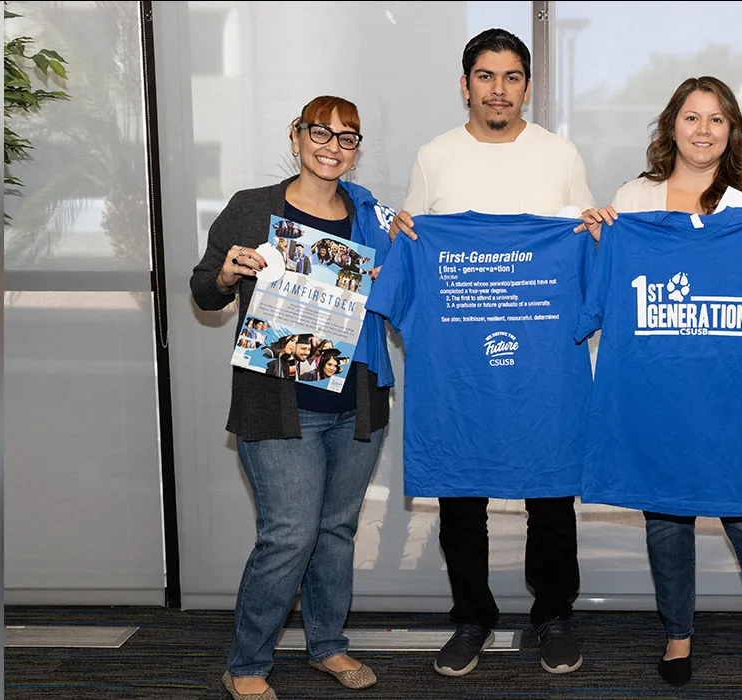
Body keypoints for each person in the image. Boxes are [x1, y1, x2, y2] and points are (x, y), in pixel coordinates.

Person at [582, 76, 742, 696]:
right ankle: (678, 632)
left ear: (731, 130)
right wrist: (598, 233)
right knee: (666, 516)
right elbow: (601, 282)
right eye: (691, 118)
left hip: (735, 394)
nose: (702, 130)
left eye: (716, 120)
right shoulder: (634, 199)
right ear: (671, 126)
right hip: (659, 392)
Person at [386, 27, 596, 678]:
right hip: (460, 369)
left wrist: (593, 232)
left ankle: (553, 616)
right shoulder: (434, 157)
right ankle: (472, 617)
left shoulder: (561, 156)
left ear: (527, 87)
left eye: (511, 77)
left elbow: (583, 251)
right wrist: (403, 234)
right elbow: (415, 246)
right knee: (459, 494)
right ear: (465, 84)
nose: (498, 89)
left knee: (552, 494)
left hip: (542, 363)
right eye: (486, 76)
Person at [190, 95, 398, 700]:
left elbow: (408, 289)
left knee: (335, 530)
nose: (332, 147)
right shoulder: (253, 208)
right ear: (296, 135)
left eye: (346, 138)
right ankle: (247, 661)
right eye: (320, 133)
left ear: (357, 149)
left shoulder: (371, 218)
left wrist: (395, 272)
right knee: (289, 534)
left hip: (357, 402)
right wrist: (229, 273)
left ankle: (327, 645)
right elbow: (205, 291)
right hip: (279, 402)